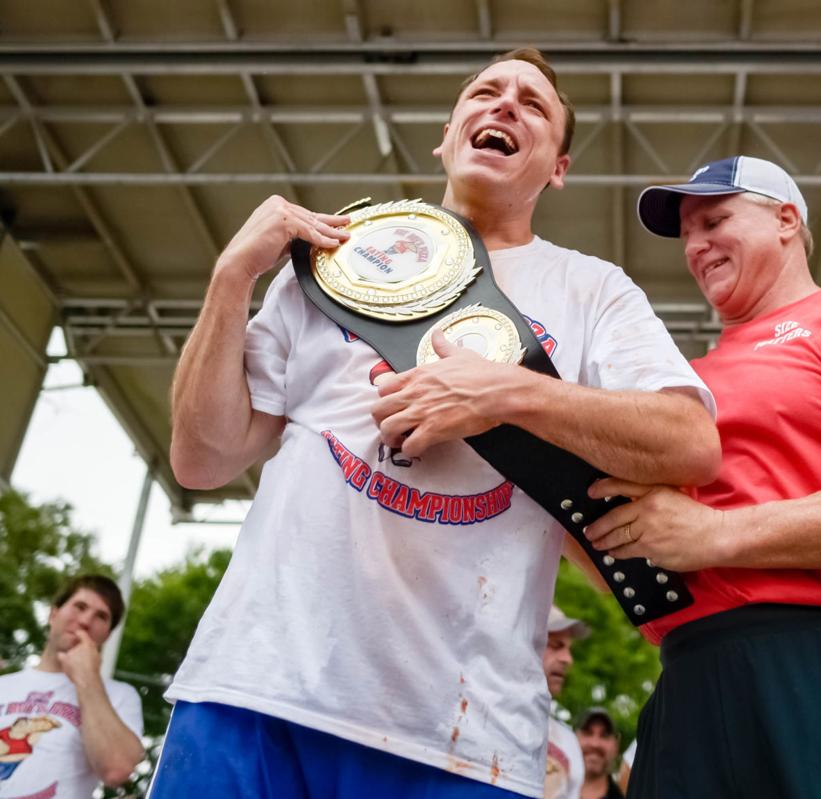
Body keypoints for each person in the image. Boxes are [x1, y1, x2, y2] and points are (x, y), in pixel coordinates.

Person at [157, 47, 719, 799]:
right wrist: (232, 279)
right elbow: (201, 459)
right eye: (485, 91)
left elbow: (688, 442)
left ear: (558, 166)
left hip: (463, 738)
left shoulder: (592, 291)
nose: (505, 104)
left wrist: (504, 394)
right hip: (255, 692)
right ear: (447, 136)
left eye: (534, 104)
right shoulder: (337, 257)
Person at [584, 155, 821, 797]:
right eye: (686, 234)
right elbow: (633, 548)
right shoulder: (678, 386)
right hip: (691, 678)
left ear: (786, 218)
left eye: (714, 220)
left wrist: (716, 534)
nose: (696, 245)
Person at [0, 574, 144, 799]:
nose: (86, 621)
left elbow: (118, 768)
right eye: (80, 606)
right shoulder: (4, 686)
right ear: (53, 613)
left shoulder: (120, 696)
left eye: (101, 616)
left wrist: (87, 677)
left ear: (107, 635)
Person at [543, 607, 588, 799]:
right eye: (555, 645)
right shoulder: (478, 721)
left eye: (568, 649)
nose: (567, 659)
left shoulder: (568, 741)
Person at [576, 708, 623, 799]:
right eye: (587, 733)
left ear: (616, 746)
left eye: (604, 735)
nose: (595, 744)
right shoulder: (546, 791)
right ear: (573, 738)